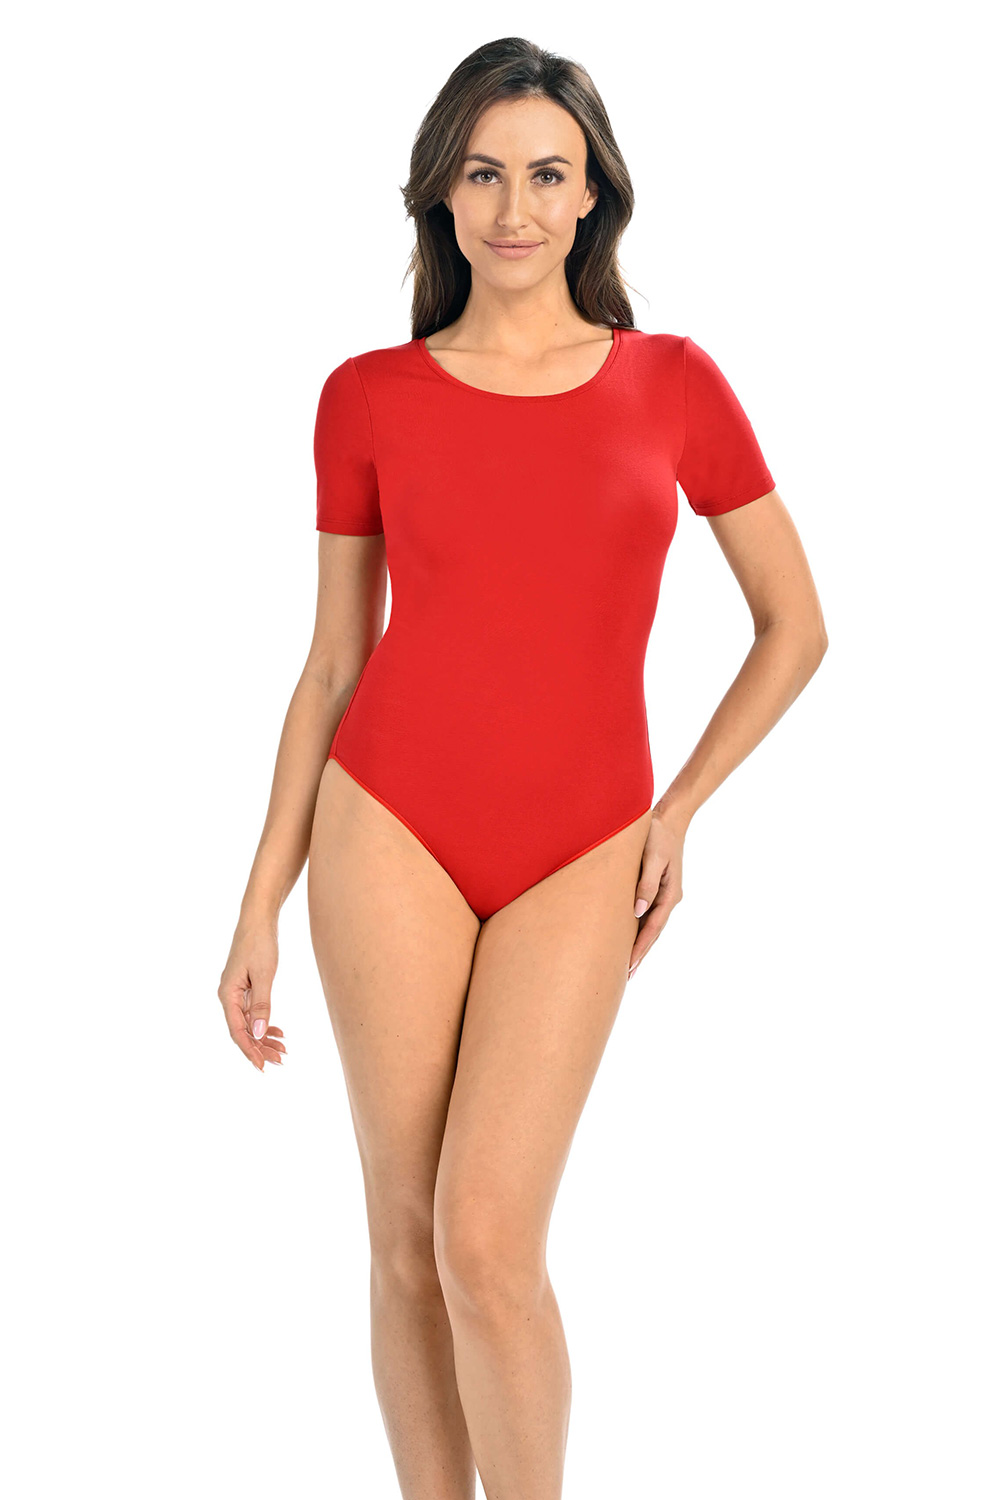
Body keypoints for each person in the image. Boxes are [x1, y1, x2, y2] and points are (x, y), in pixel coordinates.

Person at [218, 35, 828, 1500]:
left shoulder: (673, 382)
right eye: (483, 175)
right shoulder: (368, 395)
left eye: (548, 175)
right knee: (404, 1237)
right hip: (388, 825)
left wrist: (679, 809)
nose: (514, 208)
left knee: (486, 1241)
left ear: (593, 193)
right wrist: (257, 903)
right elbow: (333, 665)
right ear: (441, 193)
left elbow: (795, 626)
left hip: (584, 840)